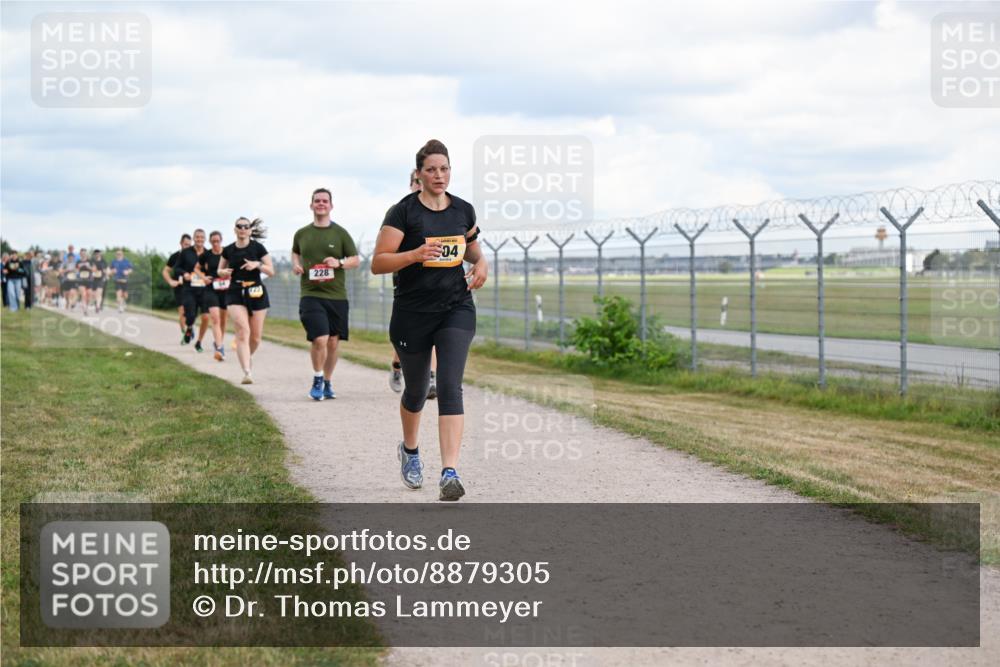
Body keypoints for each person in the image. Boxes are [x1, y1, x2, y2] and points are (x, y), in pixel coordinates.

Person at [372, 139, 488, 501]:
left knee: (450, 386)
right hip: (412, 315)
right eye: (432, 170)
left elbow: (469, 247)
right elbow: (379, 261)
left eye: (445, 168)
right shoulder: (403, 213)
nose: (439, 175)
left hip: (456, 308)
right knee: (417, 390)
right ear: (419, 174)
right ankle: (409, 450)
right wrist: (415, 254)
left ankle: (449, 472)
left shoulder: (463, 210)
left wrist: (481, 263)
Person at [291, 188, 360, 401]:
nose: (321, 204)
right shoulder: (302, 233)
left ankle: (328, 381)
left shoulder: (340, 233)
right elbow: (295, 252)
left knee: (332, 342)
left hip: (337, 297)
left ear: (331, 206)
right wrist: (296, 264)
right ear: (311, 205)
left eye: (325, 201)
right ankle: (318, 378)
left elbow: (355, 260)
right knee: (319, 339)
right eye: (317, 201)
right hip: (311, 294)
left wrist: (338, 262)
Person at [387, 171, 439, 398]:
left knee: (436, 328)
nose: (421, 186)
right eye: (416, 182)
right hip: (407, 279)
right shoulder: (401, 212)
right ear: (411, 185)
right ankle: (397, 365)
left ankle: (431, 377)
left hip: (436, 280)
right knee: (408, 332)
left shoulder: (440, 211)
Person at [218, 217, 273, 384]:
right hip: (235, 291)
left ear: (250, 230)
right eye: (239, 226)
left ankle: (247, 355)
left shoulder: (258, 248)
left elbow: (271, 271)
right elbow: (219, 270)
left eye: (246, 226)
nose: (242, 229)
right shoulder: (227, 250)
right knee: (243, 331)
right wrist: (222, 273)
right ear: (235, 230)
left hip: (256, 291)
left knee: (255, 338)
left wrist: (257, 265)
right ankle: (247, 372)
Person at [176, 229, 212, 351]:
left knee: (206, 317)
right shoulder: (186, 252)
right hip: (189, 289)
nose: (199, 239)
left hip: (204, 290)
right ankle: (190, 328)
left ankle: (199, 342)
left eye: (202, 237)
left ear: (205, 239)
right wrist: (185, 273)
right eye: (197, 237)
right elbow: (177, 268)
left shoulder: (208, 253)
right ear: (194, 238)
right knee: (190, 316)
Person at [199, 230, 229, 361]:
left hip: (225, 289)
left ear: (221, 240)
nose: (216, 243)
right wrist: (203, 277)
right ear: (210, 242)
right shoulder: (206, 255)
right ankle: (220, 348)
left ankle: (219, 342)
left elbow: (233, 268)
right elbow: (196, 268)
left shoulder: (227, 253)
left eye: (218, 241)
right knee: (215, 319)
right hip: (211, 289)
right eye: (213, 241)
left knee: (223, 320)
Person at [162, 234, 192, 341]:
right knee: (182, 311)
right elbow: (165, 271)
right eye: (185, 244)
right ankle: (186, 333)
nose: (187, 247)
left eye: (189, 245)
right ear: (181, 243)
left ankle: (189, 328)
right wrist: (170, 281)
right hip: (179, 287)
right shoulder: (175, 256)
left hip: (192, 287)